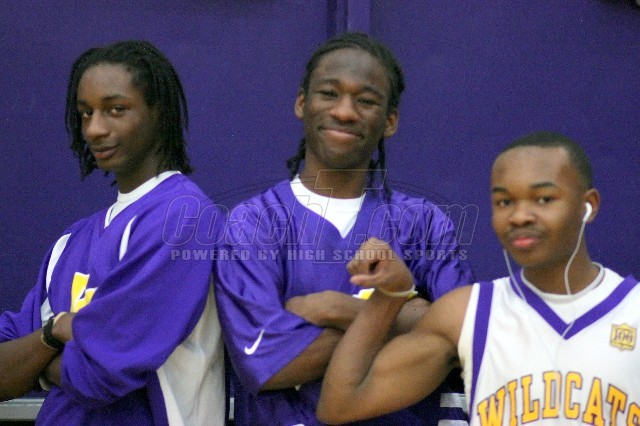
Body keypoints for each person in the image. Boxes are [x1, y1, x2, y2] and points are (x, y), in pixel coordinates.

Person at [214, 32, 474, 425]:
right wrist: (407, 315)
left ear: (390, 121)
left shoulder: (423, 222)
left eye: (366, 101)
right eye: (329, 94)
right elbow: (267, 363)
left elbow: (462, 338)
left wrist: (337, 309)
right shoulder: (253, 222)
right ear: (302, 103)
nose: (345, 112)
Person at [316, 131, 640, 425]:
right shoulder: (467, 313)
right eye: (504, 202)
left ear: (587, 205)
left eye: (543, 199)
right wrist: (390, 295)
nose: (519, 216)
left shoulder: (633, 309)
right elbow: (341, 404)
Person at [0, 40, 225, 425]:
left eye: (115, 109)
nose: (94, 129)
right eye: (85, 113)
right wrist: (55, 332)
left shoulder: (184, 217)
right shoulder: (71, 241)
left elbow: (100, 377)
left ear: (158, 112)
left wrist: (37, 361)